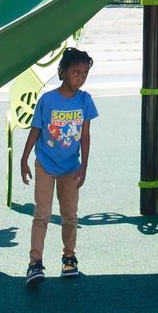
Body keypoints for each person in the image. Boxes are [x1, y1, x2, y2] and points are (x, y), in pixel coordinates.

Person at [21, 47, 96, 286]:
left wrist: (84, 166)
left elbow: (85, 136)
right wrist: (24, 159)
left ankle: (69, 258)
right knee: (42, 215)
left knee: (70, 216)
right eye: (76, 72)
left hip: (70, 167)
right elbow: (36, 130)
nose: (80, 77)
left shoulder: (85, 100)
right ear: (62, 72)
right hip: (45, 164)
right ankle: (35, 262)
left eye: (85, 73)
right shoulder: (48, 100)